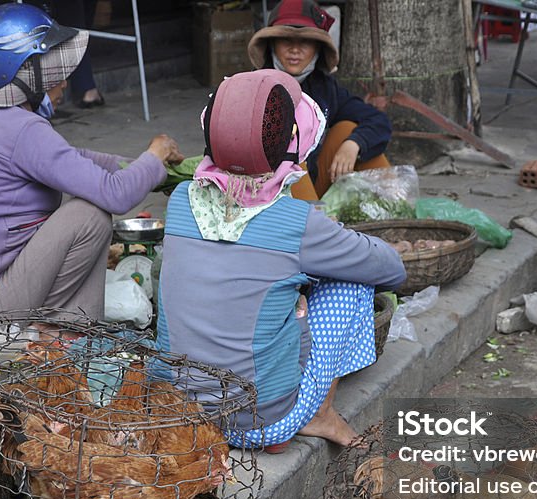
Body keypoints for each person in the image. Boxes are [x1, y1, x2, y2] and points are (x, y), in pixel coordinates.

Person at [155, 70, 406, 451]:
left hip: (178, 414)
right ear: (293, 141)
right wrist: (327, 243)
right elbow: (391, 269)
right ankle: (318, 412)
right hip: (259, 426)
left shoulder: (179, 201)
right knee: (352, 280)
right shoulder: (298, 222)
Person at [0, 3, 182, 324]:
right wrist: (154, 156)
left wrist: (146, 168)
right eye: (57, 76)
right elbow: (116, 195)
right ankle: (73, 331)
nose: (63, 84)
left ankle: (68, 325)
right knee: (90, 215)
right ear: (28, 76)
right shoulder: (23, 129)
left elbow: (75, 160)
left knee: (87, 203)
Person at [248, 0, 392, 201]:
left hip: (314, 182)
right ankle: (316, 224)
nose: (295, 49)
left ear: (317, 49)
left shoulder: (324, 88)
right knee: (290, 152)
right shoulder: (251, 87)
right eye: (285, 40)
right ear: (272, 43)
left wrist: (354, 144)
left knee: (348, 130)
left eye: (305, 41)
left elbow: (377, 120)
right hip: (267, 196)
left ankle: (396, 215)